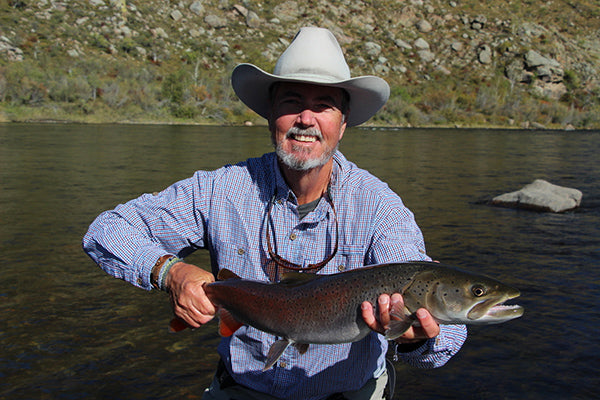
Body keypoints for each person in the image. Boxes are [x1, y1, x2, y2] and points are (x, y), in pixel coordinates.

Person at [83, 27, 467, 400]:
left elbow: (446, 339)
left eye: (324, 105)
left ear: (343, 122)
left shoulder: (381, 209)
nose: (305, 118)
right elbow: (107, 230)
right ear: (270, 113)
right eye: (291, 101)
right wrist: (171, 272)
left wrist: (418, 338)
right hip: (243, 390)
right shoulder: (219, 189)